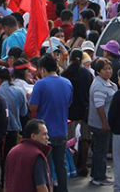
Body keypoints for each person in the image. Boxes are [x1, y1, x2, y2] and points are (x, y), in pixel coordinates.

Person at [30, 54, 73, 192]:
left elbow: (33, 107)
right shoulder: (67, 83)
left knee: (45, 166)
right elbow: (69, 102)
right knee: (61, 164)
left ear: (43, 69)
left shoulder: (40, 84)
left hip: (44, 133)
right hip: (62, 130)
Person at [88, 58, 118, 186]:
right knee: (101, 151)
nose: (108, 71)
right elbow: (99, 106)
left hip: (104, 123)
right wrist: (104, 123)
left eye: (110, 68)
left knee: (100, 150)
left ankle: (97, 174)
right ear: (98, 71)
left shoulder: (107, 83)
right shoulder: (99, 86)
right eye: (105, 69)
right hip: (100, 124)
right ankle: (99, 177)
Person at [5, 119, 52, 192]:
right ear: (33, 136)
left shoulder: (12, 151)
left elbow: (7, 182)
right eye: (44, 134)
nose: (47, 137)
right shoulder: (37, 155)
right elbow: (41, 186)